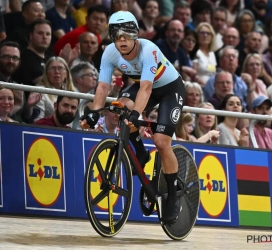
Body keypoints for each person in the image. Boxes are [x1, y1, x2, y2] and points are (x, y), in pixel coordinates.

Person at [79, 11, 192, 224]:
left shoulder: (148, 50)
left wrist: (136, 114)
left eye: (126, 35)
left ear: (135, 35)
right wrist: (94, 111)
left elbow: (147, 88)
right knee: (120, 107)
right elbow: (103, 86)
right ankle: (140, 152)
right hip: (143, 86)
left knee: (160, 140)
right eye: (116, 35)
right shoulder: (109, 53)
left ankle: (172, 194)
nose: (122, 40)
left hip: (169, 89)